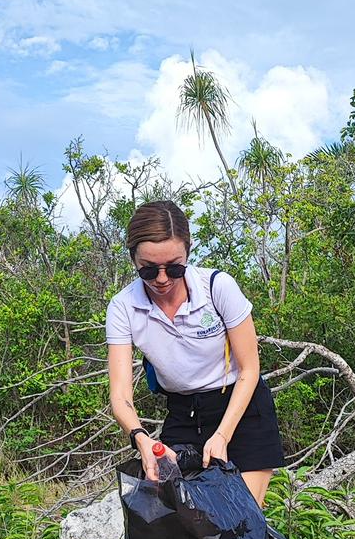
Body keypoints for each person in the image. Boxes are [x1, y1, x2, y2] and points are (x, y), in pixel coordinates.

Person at [106, 200, 283, 506]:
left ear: (188, 253)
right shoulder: (123, 307)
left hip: (240, 406)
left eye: (174, 267)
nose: (162, 279)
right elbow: (121, 396)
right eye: (149, 269)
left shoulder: (217, 287)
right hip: (184, 412)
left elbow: (250, 369)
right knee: (180, 516)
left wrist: (223, 435)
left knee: (240, 515)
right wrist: (141, 438)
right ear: (133, 258)